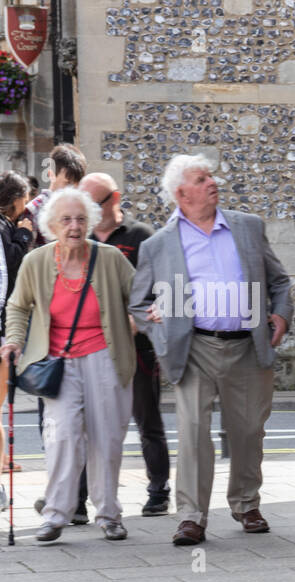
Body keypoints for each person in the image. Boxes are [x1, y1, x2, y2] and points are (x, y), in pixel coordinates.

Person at [130, 154, 291, 546]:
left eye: (211, 176)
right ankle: (191, 516)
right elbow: (138, 303)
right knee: (195, 432)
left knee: (248, 431)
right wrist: (161, 331)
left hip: (248, 347)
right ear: (181, 194)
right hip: (194, 347)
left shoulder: (248, 227)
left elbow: (279, 281)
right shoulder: (158, 245)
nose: (213, 182)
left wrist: (282, 317)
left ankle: (246, 504)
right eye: (203, 179)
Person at [0, 188, 137, 542]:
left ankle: (108, 513)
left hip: (106, 355)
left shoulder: (109, 259)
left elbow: (139, 295)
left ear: (89, 222)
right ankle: (56, 514)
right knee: (62, 435)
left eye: (80, 219)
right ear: (52, 225)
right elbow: (17, 306)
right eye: (66, 220)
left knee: (106, 436)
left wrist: (144, 317)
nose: (74, 226)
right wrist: (14, 340)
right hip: (58, 361)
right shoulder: (37, 261)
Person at [81, 172, 168, 516]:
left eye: (93, 203)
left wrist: (140, 320)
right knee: (88, 426)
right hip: (91, 346)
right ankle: (78, 501)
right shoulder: (80, 238)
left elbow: (163, 290)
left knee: (148, 422)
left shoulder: (141, 236)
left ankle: (158, 491)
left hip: (137, 348)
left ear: (114, 199)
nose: (86, 211)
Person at [0, 170, 35, 474]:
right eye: (25, 197)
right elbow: (9, 269)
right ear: (14, 199)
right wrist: (23, 236)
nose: (28, 202)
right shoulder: (3, 228)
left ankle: (4, 460)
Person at [25, 144, 86, 251]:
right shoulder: (33, 210)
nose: (72, 190)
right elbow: (29, 256)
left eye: (77, 185)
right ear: (51, 175)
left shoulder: (83, 208)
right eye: (68, 184)